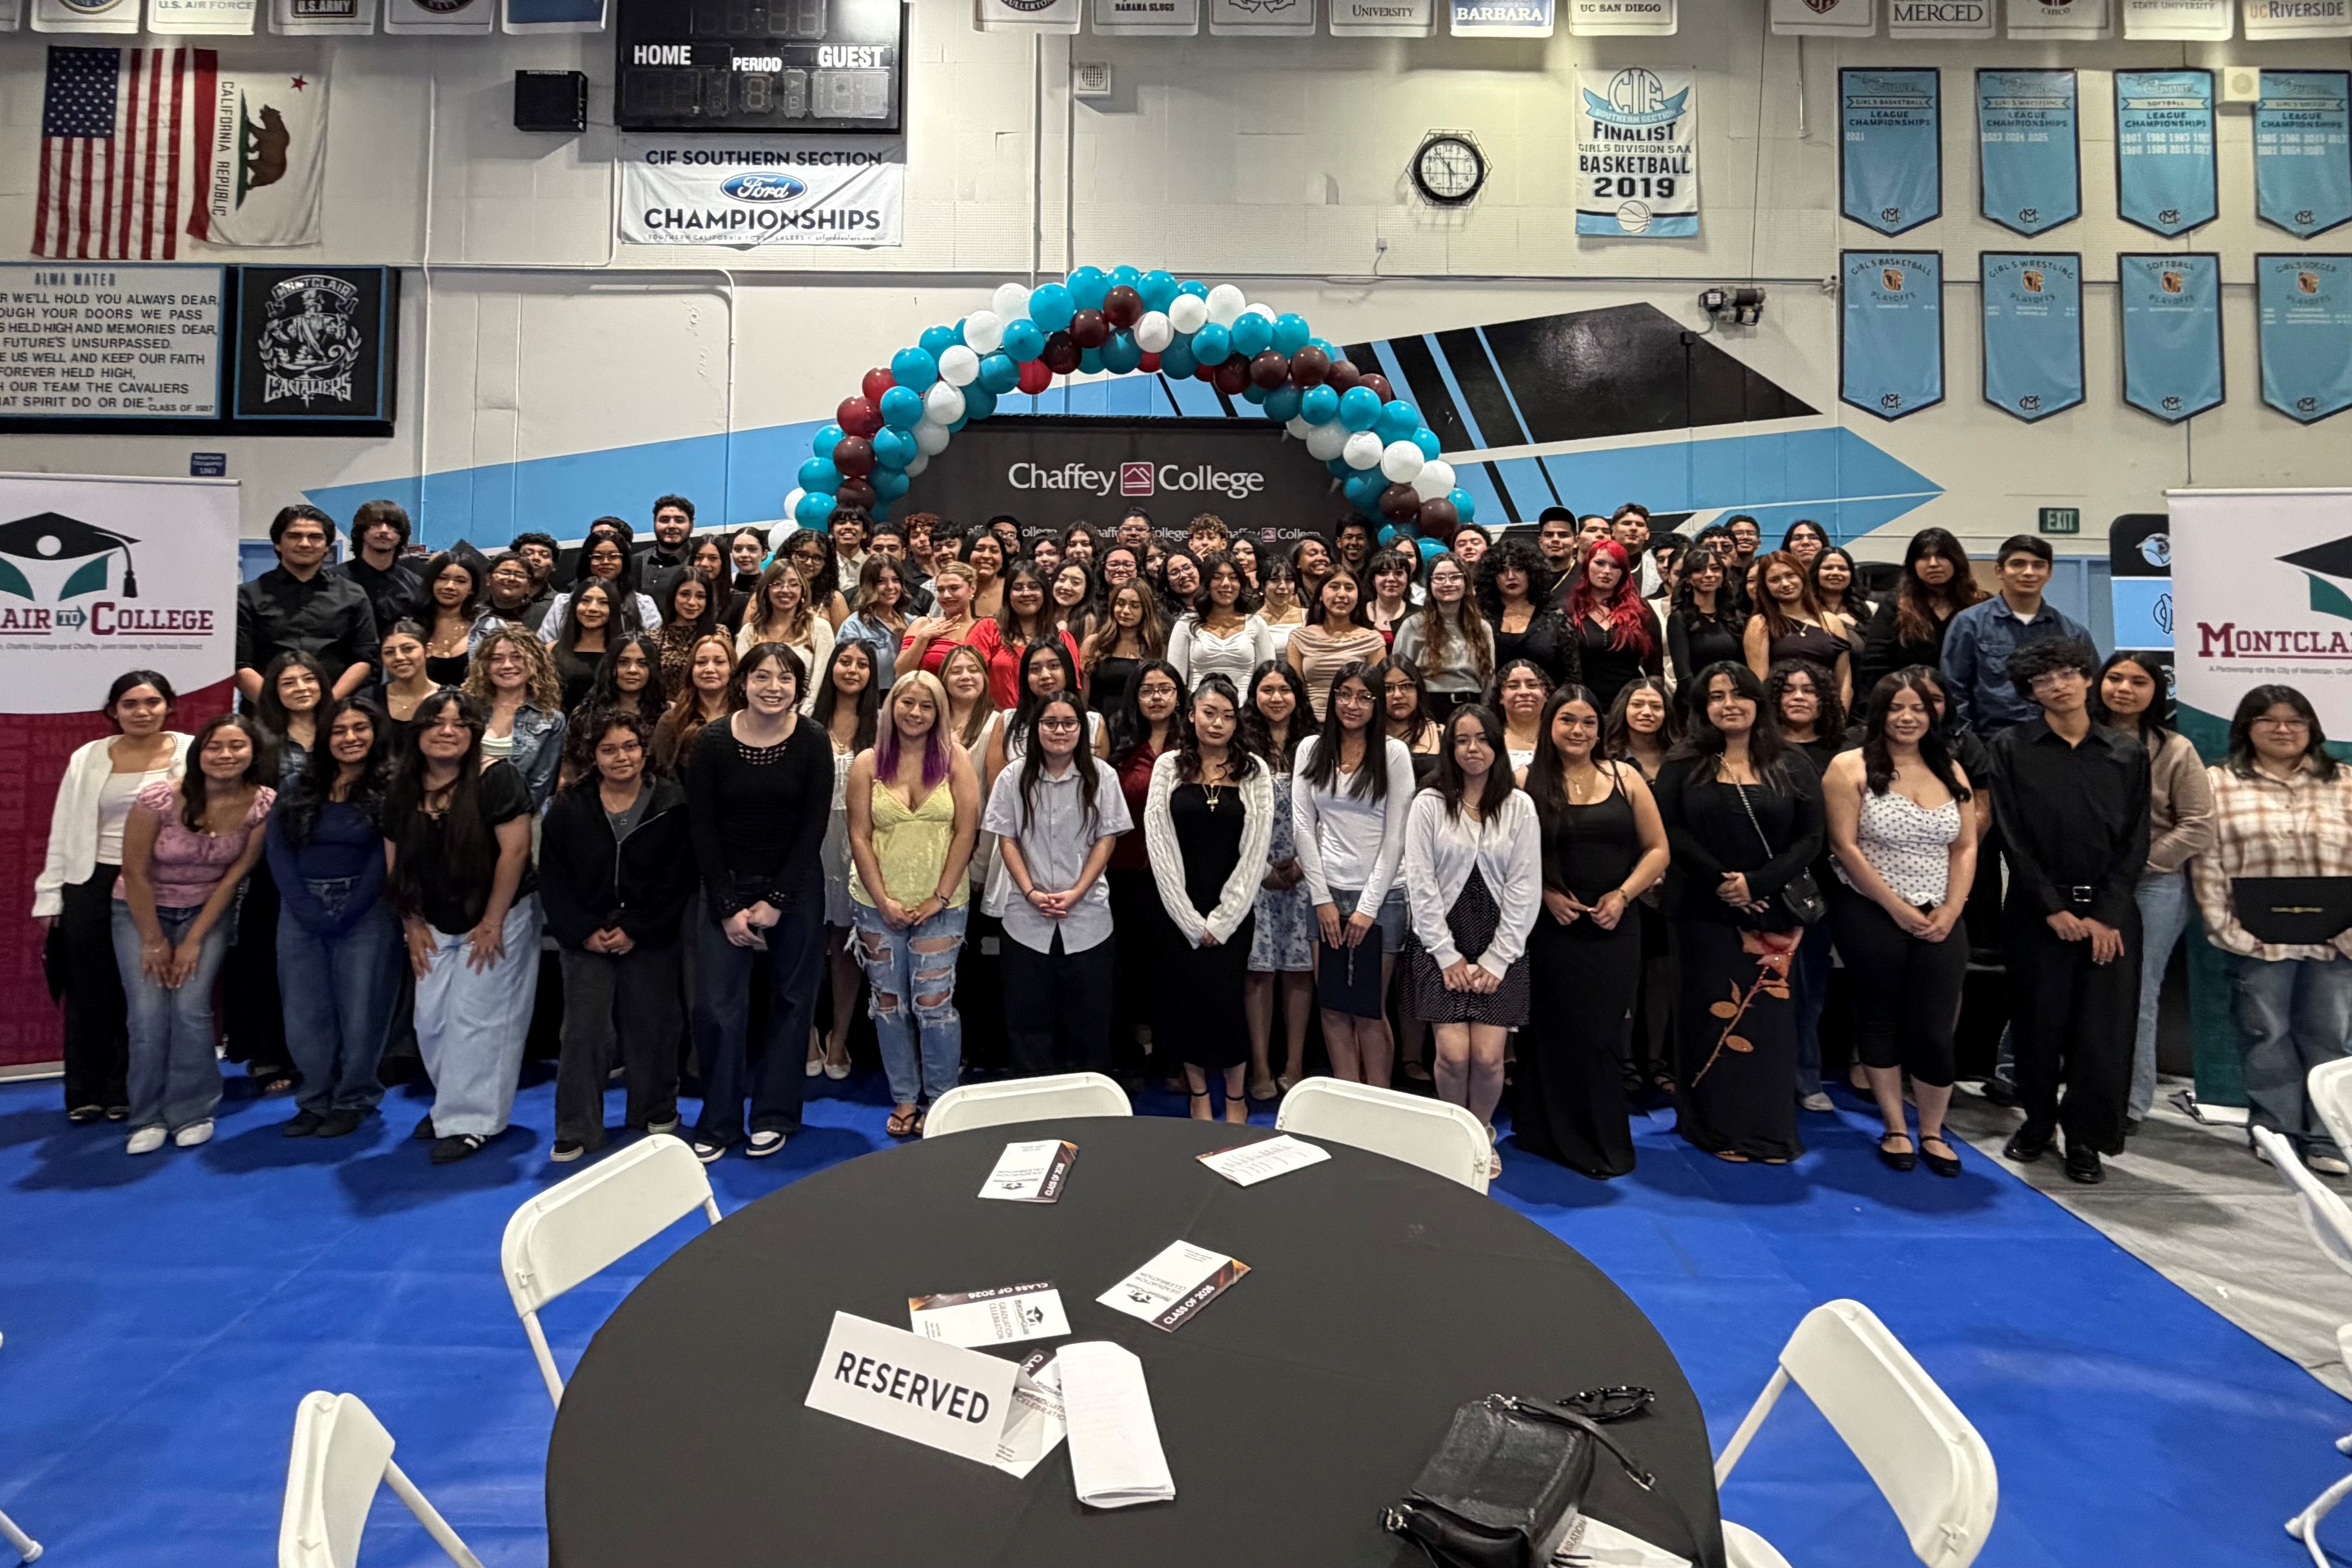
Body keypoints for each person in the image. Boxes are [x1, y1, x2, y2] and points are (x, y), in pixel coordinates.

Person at [1986, 637, 2150, 1184]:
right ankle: (2037, 1123)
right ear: (2031, 692)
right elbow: (2012, 837)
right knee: (2038, 1026)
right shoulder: (2010, 748)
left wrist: (2106, 915)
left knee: (2101, 1034)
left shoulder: (2126, 753)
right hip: (2039, 913)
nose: (2056, 685)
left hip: (2109, 914)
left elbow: (2135, 841)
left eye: (2065, 674)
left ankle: (2085, 1139)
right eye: (2042, 680)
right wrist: (2053, 908)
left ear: (2087, 678)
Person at [1654, 662, 1825, 1164]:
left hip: (1773, 912)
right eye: (1716, 696)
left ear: (1757, 701)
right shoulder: (1684, 763)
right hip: (1701, 911)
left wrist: (1758, 884)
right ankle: (1711, 1125)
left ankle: (1768, 1130)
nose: (1729, 704)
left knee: (1769, 1023)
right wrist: (1726, 885)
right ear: (1703, 708)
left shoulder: (1791, 763)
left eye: (1738, 694)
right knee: (1708, 1015)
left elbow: (1812, 837)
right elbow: (1672, 831)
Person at [2191, 685, 2352, 1175]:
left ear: (2313, 729)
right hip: (2258, 939)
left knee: (2334, 1039)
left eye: (2295, 720)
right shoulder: (2218, 783)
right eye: (2269, 720)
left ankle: (2329, 1137)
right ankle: (2276, 1131)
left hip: (2339, 940)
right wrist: (2228, 930)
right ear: (2246, 728)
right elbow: (2208, 860)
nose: (2283, 729)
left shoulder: (2345, 782)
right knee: (2267, 1034)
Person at [1822, 671, 1977, 1178]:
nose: (1908, 718)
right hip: (1870, 909)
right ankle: (1893, 1126)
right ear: (1880, 714)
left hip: (1942, 910)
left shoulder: (1950, 768)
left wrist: (1952, 908)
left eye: (1919, 709)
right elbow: (1843, 846)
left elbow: (1966, 845)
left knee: (1935, 1027)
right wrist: (1895, 907)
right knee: (1880, 1015)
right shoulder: (1850, 767)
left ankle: (1932, 1129)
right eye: (1896, 708)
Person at [685, 644, 832, 1161]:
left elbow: (814, 825)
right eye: (763, 676)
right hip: (725, 884)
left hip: (794, 887)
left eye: (785, 678)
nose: (774, 686)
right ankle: (719, 1120)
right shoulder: (711, 742)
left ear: (800, 686)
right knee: (717, 1007)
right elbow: (701, 828)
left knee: (792, 1002)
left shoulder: (813, 741)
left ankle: (774, 1113)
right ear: (743, 681)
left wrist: (775, 900)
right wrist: (727, 905)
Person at [385, 691, 543, 1165]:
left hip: (499, 914)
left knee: (481, 1020)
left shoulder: (498, 779)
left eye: (459, 723)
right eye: (436, 722)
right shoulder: (403, 787)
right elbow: (396, 864)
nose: (447, 731)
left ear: (474, 733)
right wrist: (410, 924)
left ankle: (473, 1122)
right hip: (432, 915)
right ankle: (449, 1103)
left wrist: (494, 921)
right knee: (431, 1021)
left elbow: (515, 853)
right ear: (419, 732)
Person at [1518, 684, 1668, 1177]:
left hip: (1615, 927)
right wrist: (1545, 894)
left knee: (1603, 1035)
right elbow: (1506, 857)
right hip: (1550, 928)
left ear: (1600, 729)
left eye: (1587, 722)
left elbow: (1657, 850)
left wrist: (1623, 895)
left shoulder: (1626, 778)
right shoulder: (1525, 782)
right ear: (1550, 725)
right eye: (1567, 720)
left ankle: (1600, 1141)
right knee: (1551, 1032)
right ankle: (1546, 1134)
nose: (1577, 731)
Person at [113, 713, 275, 1154]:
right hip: (139, 911)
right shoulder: (158, 798)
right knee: (147, 1016)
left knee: (190, 1010)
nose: (225, 756)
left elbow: (235, 875)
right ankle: (146, 1116)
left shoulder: (263, 803)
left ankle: (192, 1110)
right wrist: (153, 940)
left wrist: (193, 941)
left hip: (207, 912)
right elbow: (135, 871)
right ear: (199, 753)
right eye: (215, 747)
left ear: (253, 753)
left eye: (237, 747)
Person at [538, 709, 693, 1163]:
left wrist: (637, 929)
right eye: (609, 749)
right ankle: (576, 1127)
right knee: (584, 1031)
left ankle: (655, 1109)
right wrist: (585, 932)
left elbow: (678, 879)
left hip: (649, 933)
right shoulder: (569, 807)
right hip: (586, 936)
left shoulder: (673, 803)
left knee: (654, 1024)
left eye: (629, 747)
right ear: (593, 756)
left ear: (645, 750)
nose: (621, 757)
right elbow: (553, 879)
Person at [38, 672, 190, 1124]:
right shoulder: (88, 756)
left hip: (161, 881)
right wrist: (52, 895)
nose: (142, 712)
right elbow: (64, 826)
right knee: (89, 989)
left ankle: (128, 1088)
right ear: (113, 710)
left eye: (152, 702)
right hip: (91, 879)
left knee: (143, 988)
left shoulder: (191, 751)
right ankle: (85, 1091)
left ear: (169, 705)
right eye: (130, 704)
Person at [1405, 704, 1542, 1176]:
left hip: (1500, 942)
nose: (1472, 749)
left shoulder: (1519, 806)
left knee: (1486, 1059)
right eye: (1462, 740)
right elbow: (1420, 884)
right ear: (1450, 748)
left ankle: (1481, 1132)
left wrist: (1498, 960)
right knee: (1452, 1054)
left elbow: (1526, 886)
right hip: (1441, 940)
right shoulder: (1428, 803)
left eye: (1482, 739)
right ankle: (1454, 1132)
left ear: (1497, 745)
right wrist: (1446, 955)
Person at [847, 671, 982, 1138]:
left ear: (939, 712)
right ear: (891, 706)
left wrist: (940, 895)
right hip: (876, 903)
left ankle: (941, 1100)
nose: (916, 713)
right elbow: (859, 836)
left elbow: (967, 831)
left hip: (942, 903)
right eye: (907, 703)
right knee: (888, 1004)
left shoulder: (955, 759)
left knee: (933, 1003)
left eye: (927, 706)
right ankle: (904, 1098)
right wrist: (883, 900)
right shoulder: (867, 763)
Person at [267, 698, 402, 1139]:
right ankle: (314, 1099)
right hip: (301, 908)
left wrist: (352, 908)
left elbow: (385, 856)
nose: (350, 738)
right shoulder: (295, 784)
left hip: (365, 908)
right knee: (305, 1012)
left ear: (375, 733)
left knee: (363, 1009)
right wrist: (305, 907)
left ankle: (354, 1098)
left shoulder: (393, 786)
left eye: (360, 728)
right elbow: (278, 851)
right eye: (340, 730)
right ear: (325, 736)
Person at [2093, 652, 2216, 1131]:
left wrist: (2137, 865)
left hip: (2153, 884)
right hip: (2085, 885)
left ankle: (2130, 1101)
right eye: (2115, 678)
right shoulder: (2076, 739)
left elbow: (2198, 826)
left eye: (2138, 681)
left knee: (2138, 992)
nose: (2124, 688)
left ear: (2155, 692)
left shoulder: (2176, 749)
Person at [1145, 674, 1275, 1124]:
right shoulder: (1168, 767)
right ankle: (1199, 1094)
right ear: (1192, 715)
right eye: (1209, 713)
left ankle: (1236, 1099)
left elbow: (1256, 852)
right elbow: (1158, 845)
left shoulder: (1254, 770)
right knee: (1186, 1003)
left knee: (1228, 1005)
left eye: (1226, 715)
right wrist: (1187, 918)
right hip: (1177, 911)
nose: (1217, 723)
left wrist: (1222, 921)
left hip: (1233, 914)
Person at [986, 691, 1131, 1078]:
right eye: (1050, 723)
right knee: (1027, 1024)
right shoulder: (1013, 776)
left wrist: (1078, 891)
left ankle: (1088, 1112)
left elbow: (1107, 838)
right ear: (1036, 729)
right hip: (1025, 919)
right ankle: (1034, 1113)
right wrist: (1031, 891)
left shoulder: (1102, 776)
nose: (1060, 731)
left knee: (1090, 1026)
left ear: (1082, 730)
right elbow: (1007, 838)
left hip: (1087, 919)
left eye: (1070, 723)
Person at [1294, 662, 1416, 1087]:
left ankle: (1377, 1102)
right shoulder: (1310, 749)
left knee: (1367, 1009)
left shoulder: (1394, 753)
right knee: (1331, 1006)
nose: (1353, 704)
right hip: (1327, 893)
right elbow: (1302, 827)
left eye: (1365, 696)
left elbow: (1396, 838)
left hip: (1382, 898)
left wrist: (1366, 908)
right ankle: (1345, 1098)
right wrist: (1322, 898)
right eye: (1345, 694)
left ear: (1378, 703)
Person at [1105, 660, 1185, 1085]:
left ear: (1178, 696)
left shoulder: (1192, 742)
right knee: (1127, 969)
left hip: (1179, 878)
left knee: (1171, 970)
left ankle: (1172, 1058)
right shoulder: (1119, 745)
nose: (1157, 697)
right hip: (1126, 873)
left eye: (1165, 689)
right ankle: (1132, 1056)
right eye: (1148, 690)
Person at [1241, 662, 1315, 1100]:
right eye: (1266, 690)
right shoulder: (1241, 745)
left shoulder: (1316, 744)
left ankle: (1295, 1063)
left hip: (1307, 871)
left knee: (1300, 971)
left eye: (1284, 689)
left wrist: (1305, 863)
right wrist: (1262, 868)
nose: (1275, 698)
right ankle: (1262, 1067)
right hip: (1255, 872)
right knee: (1259, 973)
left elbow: (1327, 809)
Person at [1606, 675, 1680, 1099]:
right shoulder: (1610, 758)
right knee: (1627, 977)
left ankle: (1656, 1060)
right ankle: (1625, 1061)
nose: (1647, 713)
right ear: (1624, 710)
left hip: (1671, 884)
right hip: (1623, 881)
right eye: (1638, 705)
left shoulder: (1682, 758)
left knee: (1662, 977)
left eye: (1655, 705)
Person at [812, 640, 882, 1078]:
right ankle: (803, 1034)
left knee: (846, 946)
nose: (852, 670)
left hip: (860, 841)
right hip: (811, 839)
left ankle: (839, 1037)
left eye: (862, 664)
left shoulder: (879, 728)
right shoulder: (806, 723)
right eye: (845, 661)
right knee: (803, 945)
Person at [1941, 534, 2090, 735]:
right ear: (2000, 571)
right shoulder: (1970, 624)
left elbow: (2089, 691)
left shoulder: (2071, 632)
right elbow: (1954, 690)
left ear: (2049, 573)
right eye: (2018, 564)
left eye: (2038, 565)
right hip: (1990, 742)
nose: (2029, 572)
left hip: (2055, 742)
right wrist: (1967, 745)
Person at [237, 504, 380, 705]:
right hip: (264, 719)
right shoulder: (247, 596)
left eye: (315, 537)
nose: (305, 544)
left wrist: (327, 705)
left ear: (327, 546)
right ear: (278, 543)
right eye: (294, 536)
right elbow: (240, 665)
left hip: (334, 716)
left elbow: (365, 660)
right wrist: (276, 710)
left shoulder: (353, 595)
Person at [1858, 527, 1985, 695]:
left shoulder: (1980, 605)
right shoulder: (1895, 604)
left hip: (1970, 703)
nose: (1933, 564)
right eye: (1924, 557)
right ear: (1913, 565)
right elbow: (1875, 665)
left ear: (1957, 561)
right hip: (1909, 701)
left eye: (1941, 556)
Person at [465, 626, 566, 811]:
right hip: (465, 814)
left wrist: (509, 819)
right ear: (485, 666)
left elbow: (540, 785)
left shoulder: (551, 720)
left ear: (534, 662)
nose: (507, 665)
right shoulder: (468, 709)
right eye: (497, 659)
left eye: (517, 657)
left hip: (519, 820)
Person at [1391, 552, 1496, 720]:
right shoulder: (1413, 626)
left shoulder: (1483, 628)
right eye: (1439, 578)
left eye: (1455, 577)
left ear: (1466, 583)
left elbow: (1488, 680)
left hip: (1472, 709)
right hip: (1428, 710)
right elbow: (1398, 674)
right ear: (1430, 584)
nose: (1448, 583)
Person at [1744, 550, 1852, 711]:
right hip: (1783, 717)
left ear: (1802, 576)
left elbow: (1845, 683)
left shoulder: (1831, 622)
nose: (1785, 584)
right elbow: (1761, 684)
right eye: (1775, 580)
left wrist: (1839, 721)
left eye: (1790, 575)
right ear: (1765, 587)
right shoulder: (1760, 623)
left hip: (1829, 715)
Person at [970, 560, 1082, 710]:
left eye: (1034, 587)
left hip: (1048, 722)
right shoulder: (988, 630)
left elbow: (1072, 691)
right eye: (1018, 587)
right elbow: (970, 678)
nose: (1026, 593)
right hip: (995, 720)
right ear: (1008, 594)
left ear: (1045, 592)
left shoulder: (1062, 639)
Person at [1566, 541, 1661, 713]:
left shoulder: (1641, 610)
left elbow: (1654, 669)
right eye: (1600, 563)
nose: (1607, 572)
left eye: (1615, 566)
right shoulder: (1568, 610)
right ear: (1587, 565)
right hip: (1583, 706)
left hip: (1631, 707)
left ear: (1623, 572)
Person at [1287, 568, 1389, 720]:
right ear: (1321, 595)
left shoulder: (1373, 640)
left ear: (1358, 596)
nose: (1342, 594)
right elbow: (1294, 691)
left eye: (1349, 588)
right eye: (1334, 587)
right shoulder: (1300, 638)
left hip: (1356, 724)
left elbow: (1377, 694)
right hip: (1311, 724)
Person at [1169, 551, 1272, 691]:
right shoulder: (1186, 624)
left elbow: (1268, 679)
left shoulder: (1257, 624)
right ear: (1206, 583)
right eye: (1217, 577)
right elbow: (1175, 681)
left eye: (1233, 578)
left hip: (1246, 710)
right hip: (1198, 709)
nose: (1226, 584)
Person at [1480, 540, 1576, 689]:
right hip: (1494, 704)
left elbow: (1573, 676)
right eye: (1502, 570)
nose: (1511, 576)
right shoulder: (1481, 616)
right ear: (1492, 576)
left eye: (1518, 569)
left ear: (1531, 572)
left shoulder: (1555, 617)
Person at [738, 561, 833, 711]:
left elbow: (821, 683)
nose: (785, 590)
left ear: (803, 590)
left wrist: (801, 720)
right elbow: (742, 682)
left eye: (794, 584)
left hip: (806, 718)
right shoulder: (750, 632)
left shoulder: (820, 629)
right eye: (777, 583)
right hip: (757, 716)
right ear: (766, 590)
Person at [540, 529, 660, 640]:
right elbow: (544, 646)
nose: (606, 562)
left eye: (614, 556)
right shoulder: (564, 604)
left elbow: (653, 649)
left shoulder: (643, 605)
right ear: (588, 561)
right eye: (597, 557)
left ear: (624, 562)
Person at [336, 499, 423, 645]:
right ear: (362, 531)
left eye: (392, 526)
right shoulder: (334, 580)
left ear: (402, 535)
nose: (384, 530)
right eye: (376, 524)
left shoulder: (416, 586)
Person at [652, 634, 737, 778]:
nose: (709, 669)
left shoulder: (746, 716)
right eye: (701, 662)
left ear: (732, 669)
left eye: (719, 662)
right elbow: (662, 774)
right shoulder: (671, 720)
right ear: (691, 670)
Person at [1083, 579, 1166, 721]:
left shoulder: (1155, 648)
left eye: (1134, 606)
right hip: (1098, 722)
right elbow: (1083, 695)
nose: (1125, 611)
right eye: (1120, 603)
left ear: (1145, 610)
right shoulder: (1094, 643)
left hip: (1139, 724)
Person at [1667, 546, 1744, 694]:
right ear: (1688, 578)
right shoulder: (1679, 618)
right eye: (1699, 570)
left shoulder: (1733, 616)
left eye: (1715, 569)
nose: (1709, 575)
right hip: (1695, 701)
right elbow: (1684, 675)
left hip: (1732, 696)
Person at [897, 561, 985, 681]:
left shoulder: (985, 629)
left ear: (972, 588)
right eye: (940, 590)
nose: (946, 595)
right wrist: (923, 638)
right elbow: (901, 673)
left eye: (954, 588)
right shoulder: (923, 624)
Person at [256, 650, 330, 787]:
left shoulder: (340, 727)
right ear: (274, 691)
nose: (301, 688)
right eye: (289, 683)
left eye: (309, 679)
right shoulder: (258, 735)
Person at [549, 579, 619, 717]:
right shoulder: (551, 649)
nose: (592, 608)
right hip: (563, 730)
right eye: (585, 600)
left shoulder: (624, 650)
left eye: (603, 602)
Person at [575, 633, 666, 732]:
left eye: (643, 664)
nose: (632, 670)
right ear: (610, 667)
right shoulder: (586, 715)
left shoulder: (670, 715)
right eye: (623, 662)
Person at [417, 552, 483, 688]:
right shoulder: (410, 626)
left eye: (461, 581)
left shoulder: (487, 628)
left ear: (472, 589)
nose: (450, 586)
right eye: (442, 578)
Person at [656, 569, 722, 695]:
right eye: (685, 594)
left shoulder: (720, 633)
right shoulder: (654, 637)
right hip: (666, 710)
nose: (692, 602)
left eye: (700, 596)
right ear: (673, 595)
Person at [782, 527, 852, 630]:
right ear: (790, 555)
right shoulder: (769, 593)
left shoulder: (834, 600)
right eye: (802, 555)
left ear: (826, 563)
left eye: (817, 558)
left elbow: (844, 645)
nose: (809, 563)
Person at [637, 494, 698, 607]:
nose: (671, 526)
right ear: (654, 524)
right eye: (664, 520)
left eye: (679, 521)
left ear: (692, 525)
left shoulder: (699, 563)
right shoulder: (636, 562)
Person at [1492, 659, 1552, 771]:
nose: (1524, 692)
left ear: (1546, 694)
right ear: (1500, 696)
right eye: (1513, 686)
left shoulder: (1560, 736)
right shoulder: (1490, 740)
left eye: (1532, 685)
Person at [378, 622, 437, 725]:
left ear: (428, 650)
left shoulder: (452, 698)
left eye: (408, 649)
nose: (399, 657)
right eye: (389, 652)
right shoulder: (369, 700)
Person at [479, 551, 546, 635]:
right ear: (489, 578)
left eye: (519, 575)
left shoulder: (545, 617)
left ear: (529, 585)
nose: (511, 578)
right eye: (505, 572)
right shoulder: (473, 616)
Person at [1366, 548, 1419, 647]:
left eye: (1398, 573)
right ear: (1373, 579)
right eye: (1383, 573)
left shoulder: (1420, 615)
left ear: (1408, 579)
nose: (1391, 579)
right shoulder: (1357, 614)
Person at [1534, 508, 1581, 603]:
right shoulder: (1529, 579)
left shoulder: (1587, 577)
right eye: (1549, 535)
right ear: (1540, 542)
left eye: (1563, 535)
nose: (1555, 539)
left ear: (1576, 542)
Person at [1049, 561, 1098, 647]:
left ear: (1086, 590)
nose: (1066, 587)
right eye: (1061, 579)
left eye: (1075, 582)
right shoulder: (1042, 611)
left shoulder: (1088, 620)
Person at [964, 531, 1009, 621]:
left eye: (994, 551)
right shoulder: (955, 589)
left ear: (1003, 557)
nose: (987, 556)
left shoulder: (1013, 588)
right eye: (980, 549)